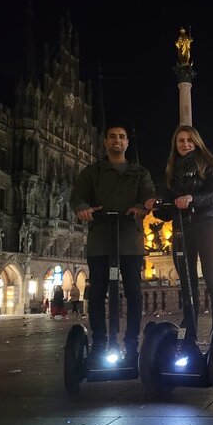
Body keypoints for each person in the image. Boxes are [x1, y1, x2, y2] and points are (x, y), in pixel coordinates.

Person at [70, 124, 155, 360]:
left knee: (133, 291)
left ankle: (130, 342)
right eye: (112, 137)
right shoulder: (93, 171)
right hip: (100, 238)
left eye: (122, 137)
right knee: (97, 291)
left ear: (127, 143)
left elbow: (148, 194)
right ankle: (99, 342)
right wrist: (82, 208)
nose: (117, 140)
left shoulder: (140, 172)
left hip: (129, 239)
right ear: (105, 142)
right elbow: (77, 195)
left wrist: (143, 206)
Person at [149, 125, 213, 340]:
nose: (185, 144)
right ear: (175, 144)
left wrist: (193, 199)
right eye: (180, 141)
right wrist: (156, 206)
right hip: (181, 227)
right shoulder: (171, 171)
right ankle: (190, 325)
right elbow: (167, 209)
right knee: (186, 280)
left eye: (189, 140)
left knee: (212, 279)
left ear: (197, 142)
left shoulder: (208, 164)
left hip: (206, 224)